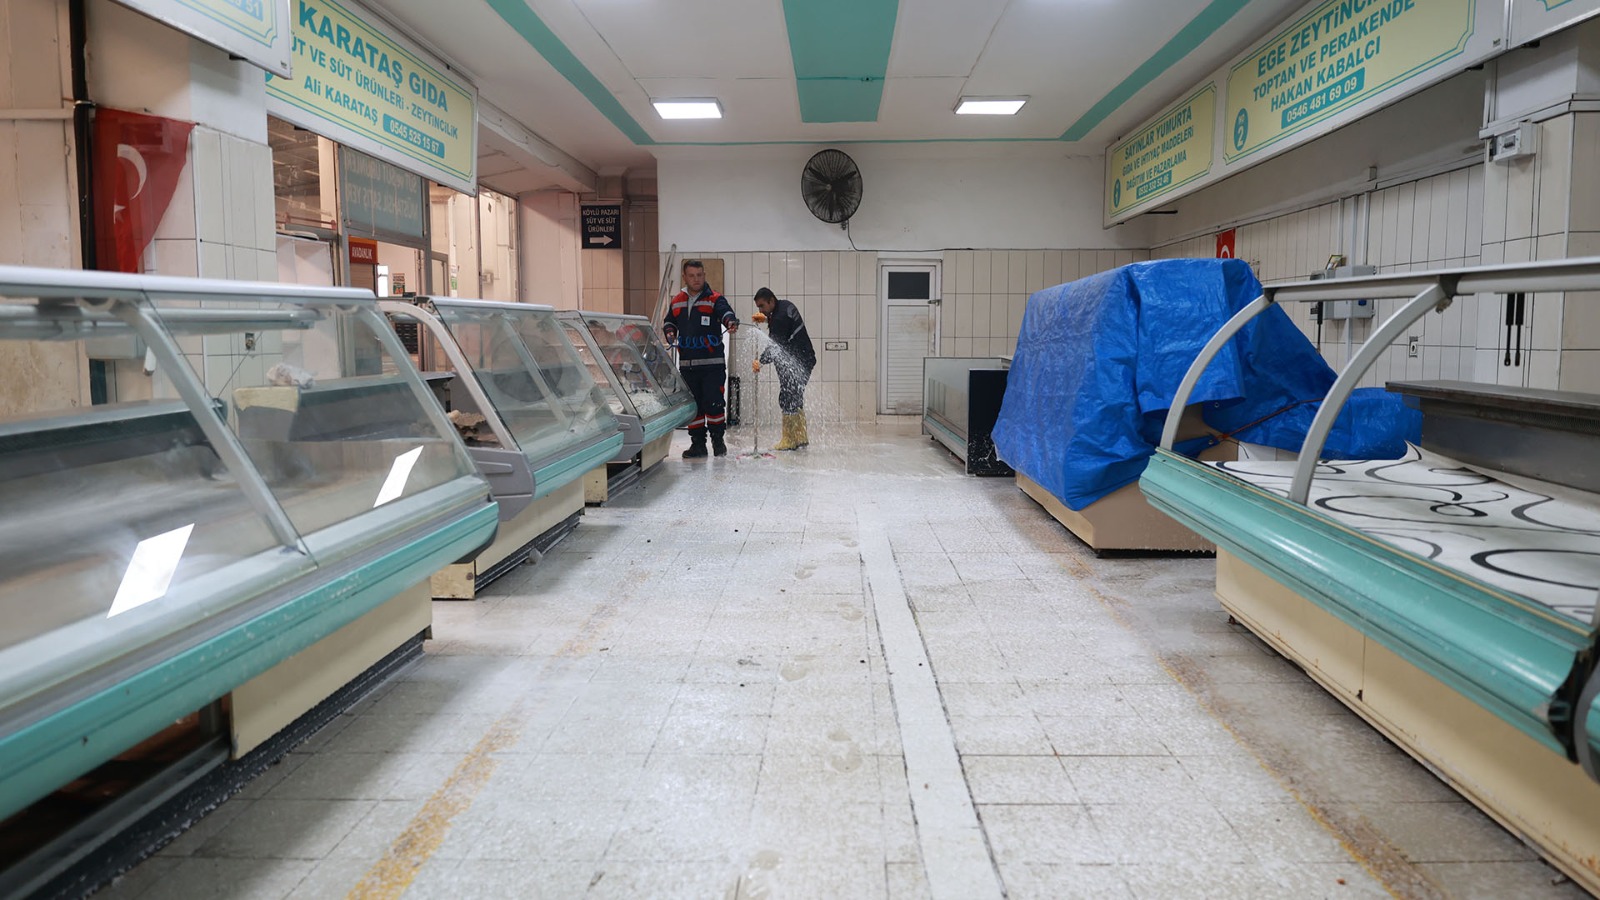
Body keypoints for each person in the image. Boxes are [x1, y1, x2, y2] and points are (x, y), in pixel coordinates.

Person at [662, 259, 738, 458]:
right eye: (692, 276)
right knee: (694, 407)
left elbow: (726, 313)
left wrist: (730, 321)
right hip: (688, 366)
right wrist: (669, 332)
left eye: (699, 275)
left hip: (712, 365)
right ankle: (698, 445)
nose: (696, 279)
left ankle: (718, 443)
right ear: (684, 277)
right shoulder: (677, 300)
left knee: (714, 404)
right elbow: (669, 321)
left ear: (704, 275)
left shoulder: (715, 298)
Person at [750, 287, 815, 451]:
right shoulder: (785, 305)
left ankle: (789, 440)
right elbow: (785, 329)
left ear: (771, 301)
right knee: (795, 396)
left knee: (787, 397)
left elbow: (775, 347)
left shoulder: (779, 318)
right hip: (805, 358)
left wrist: (760, 362)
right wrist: (767, 320)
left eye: (762, 306)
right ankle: (801, 437)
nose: (761, 310)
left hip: (799, 362)